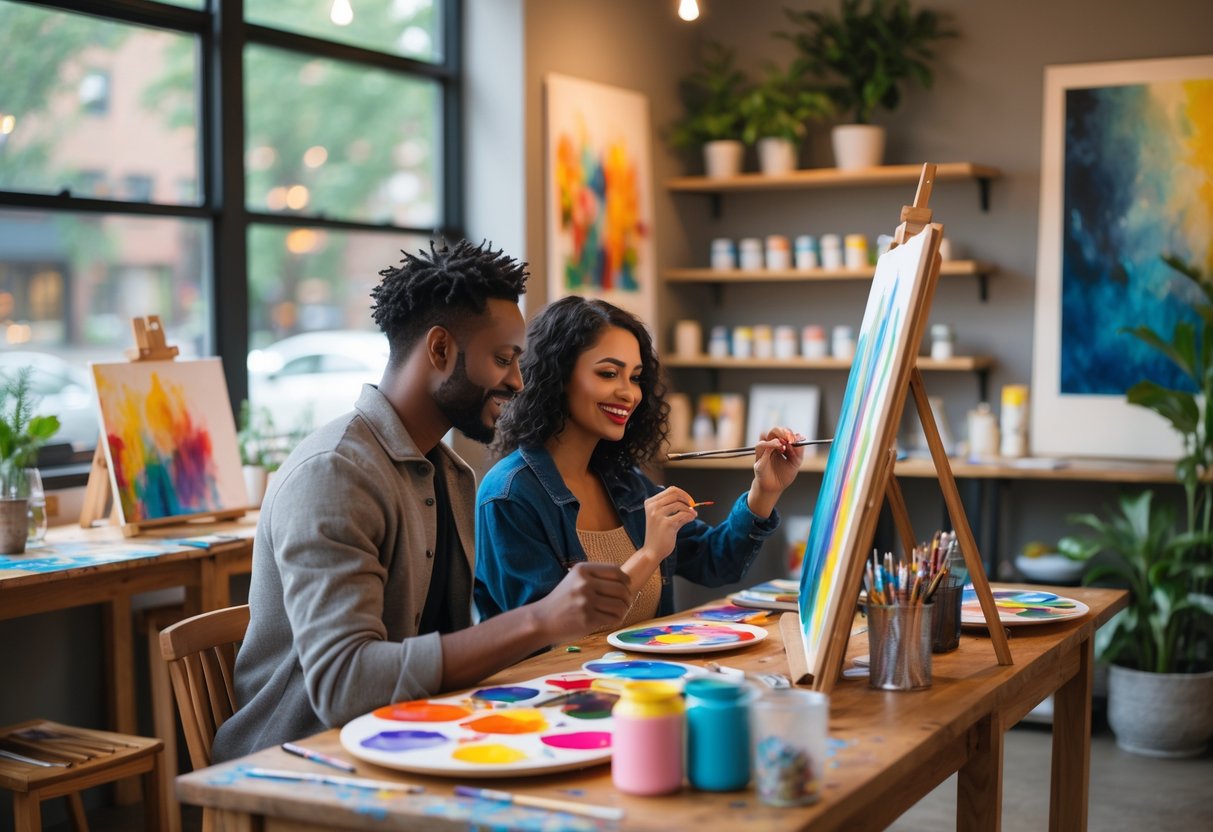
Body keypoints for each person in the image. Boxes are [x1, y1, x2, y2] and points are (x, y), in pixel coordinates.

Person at [213, 242, 633, 762]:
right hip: (299, 761)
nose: (518, 382)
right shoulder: (334, 474)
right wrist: (540, 620)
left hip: (411, 740)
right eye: (502, 359)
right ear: (439, 351)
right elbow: (344, 686)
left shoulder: (452, 473)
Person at [475, 296, 805, 625]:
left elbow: (718, 562)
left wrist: (764, 489)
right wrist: (648, 555)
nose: (629, 393)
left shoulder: (625, 483)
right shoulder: (508, 496)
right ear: (557, 377)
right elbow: (549, 633)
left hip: (643, 678)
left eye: (634, 377)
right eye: (608, 373)